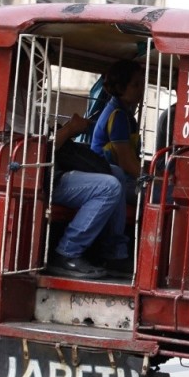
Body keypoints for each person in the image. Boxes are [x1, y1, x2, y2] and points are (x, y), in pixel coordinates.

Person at [49, 113, 132, 279]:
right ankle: (67, 252)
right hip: (49, 178)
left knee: (117, 173)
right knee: (109, 186)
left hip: (60, 168)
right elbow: (43, 148)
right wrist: (70, 129)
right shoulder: (17, 112)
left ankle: (113, 253)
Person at [90, 59, 144, 201]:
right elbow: (126, 162)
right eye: (136, 85)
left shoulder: (123, 113)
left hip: (115, 177)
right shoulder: (118, 115)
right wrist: (155, 178)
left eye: (142, 84)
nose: (141, 89)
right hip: (110, 179)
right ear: (120, 88)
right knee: (165, 195)